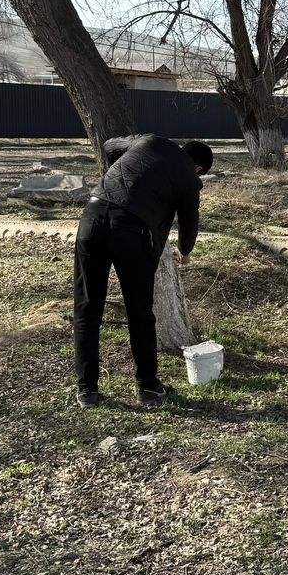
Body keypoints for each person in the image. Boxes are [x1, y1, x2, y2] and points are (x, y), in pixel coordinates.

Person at [73, 134, 213, 409]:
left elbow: (110, 146)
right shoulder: (189, 179)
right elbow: (189, 223)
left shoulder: (149, 141)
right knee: (139, 313)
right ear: (198, 168)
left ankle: (86, 390)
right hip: (132, 232)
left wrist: (124, 179)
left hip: (91, 218)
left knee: (87, 308)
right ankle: (148, 388)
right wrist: (185, 253)